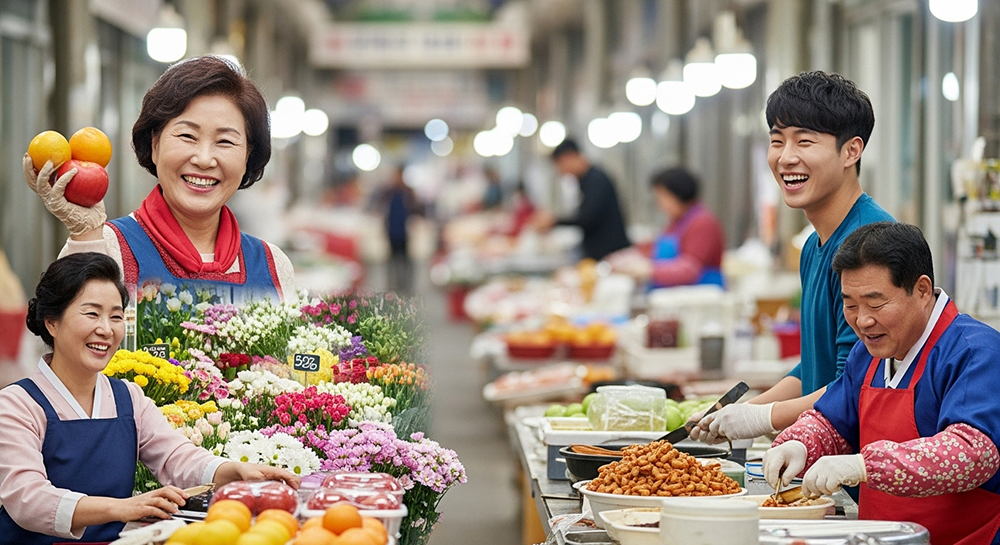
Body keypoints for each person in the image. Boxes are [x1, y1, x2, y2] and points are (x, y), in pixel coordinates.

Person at [0, 253, 298, 544]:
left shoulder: (128, 397)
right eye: (92, 313)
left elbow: (175, 456)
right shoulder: (17, 404)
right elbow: (28, 498)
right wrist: (121, 507)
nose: (106, 329)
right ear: (52, 322)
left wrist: (231, 471)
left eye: (116, 316)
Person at [763, 222, 1000, 544]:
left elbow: (973, 453)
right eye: (850, 305)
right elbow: (834, 421)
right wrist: (800, 443)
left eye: (875, 304)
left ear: (921, 290)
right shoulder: (868, 352)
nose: (862, 320)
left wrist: (865, 465)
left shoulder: (976, 352)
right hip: (882, 536)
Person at [690, 71, 894, 444]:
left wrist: (764, 418)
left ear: (852, 151)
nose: (786, 158)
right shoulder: (815, 245)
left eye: (804, 142)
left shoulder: (869, 245)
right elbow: (815, 367)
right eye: (777, 141)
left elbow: (857, 384)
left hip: (863, 469)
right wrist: (742, 410)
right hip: (824, 457)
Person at [23, 56, 296, 304]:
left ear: (248, 155)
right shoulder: (105, 245)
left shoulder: (273, 265)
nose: (204, 159)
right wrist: (84, 235)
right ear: (155, 144)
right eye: (187, 136)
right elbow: (73, 348)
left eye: (225, 141)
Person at [533, 139, 631, 261]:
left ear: (568, 157)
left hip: (610, 254)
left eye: (559, 165)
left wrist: (554, 221)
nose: (561, 172)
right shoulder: (584, 180)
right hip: (598, 252)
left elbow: (587, 217)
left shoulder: (596, 180)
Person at [648, 167, 725, 287]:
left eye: (662, 197)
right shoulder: (677, 222)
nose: (659, 204)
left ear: (677, 194)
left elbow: (690, 270)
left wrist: (648, 270)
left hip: (699, 297)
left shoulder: (703, 223)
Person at [375, 166, 420, 295]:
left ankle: (406, 286)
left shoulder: (408, 192)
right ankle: (392, 286)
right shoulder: (388, 192)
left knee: (406, 260)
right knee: (391, 260)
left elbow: (417, 209)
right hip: (391, 231)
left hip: (404, 232)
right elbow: (378, 206)